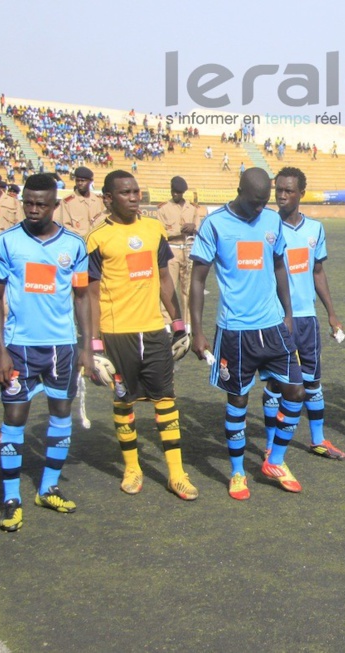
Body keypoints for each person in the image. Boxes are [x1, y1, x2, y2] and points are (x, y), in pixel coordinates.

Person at [0, 174, 92, 531]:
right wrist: (0, 351)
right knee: (14, 419)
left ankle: (48, 487)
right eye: (27, 202)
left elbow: (81, 297)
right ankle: (12, 497)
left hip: (61, 347)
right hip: (19, 348)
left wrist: (86, 347)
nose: (32, 209)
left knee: (61, 415)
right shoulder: (6, 242)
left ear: (54, 205)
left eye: (40, 204)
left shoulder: (74, 246)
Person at [189, 169, 306, 497]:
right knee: (238, 401)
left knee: (297, 391)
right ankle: (238, 472)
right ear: (238, 190)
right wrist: (198, 332)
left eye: (263, 203)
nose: (259, 209)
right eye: (254, 202)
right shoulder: (214, 225)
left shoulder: (271, 221)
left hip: (273, 326)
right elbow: (197, 279)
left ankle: (276, 460)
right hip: (235, 331)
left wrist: (288, 313)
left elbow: (280, 264)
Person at [86, 170, 198, 500]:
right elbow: (90, 295)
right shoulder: (97, 238)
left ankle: (176, 473)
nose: (134, 197)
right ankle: (132, 468)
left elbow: (165, 279)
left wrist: (178, 323)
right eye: (125, 193)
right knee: (124, 399)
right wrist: (94, 344)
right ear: (108, 198)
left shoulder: (152, 229)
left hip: (153, 330)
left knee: (166, 399)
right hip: (116, 333)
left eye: (136, 191)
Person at [258, 167, 345, 462]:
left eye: (288, 190)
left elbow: (318, 272)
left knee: (312, 380)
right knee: (275, 382)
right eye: (278, 190)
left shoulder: (315, 229)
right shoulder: (266, 226)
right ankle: (270, 443)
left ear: (301, 194)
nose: (282, 195)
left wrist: (331, 314)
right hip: (276, 318)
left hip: (307, 318)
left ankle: (318, 439)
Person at [154, 176, 198, 328]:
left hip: (188, 249)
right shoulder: (163, 208)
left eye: (178, 192)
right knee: (169, 287)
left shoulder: (192, 209)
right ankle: (167, 322)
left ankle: (188, 323)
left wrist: (194, 227)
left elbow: (199, 228)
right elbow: (160, 233)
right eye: (173, 192)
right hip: (171, 250)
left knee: (188, 288)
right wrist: (179, 231)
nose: (175, 195)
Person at [57, 167, 105, 239]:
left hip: (97, 241)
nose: (80, 183)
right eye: (77, 181)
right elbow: (65, 226)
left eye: (83, 181)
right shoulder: (67, 202)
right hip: (77, 240)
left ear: (91, 181)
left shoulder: (99, 200)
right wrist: (86, 235)